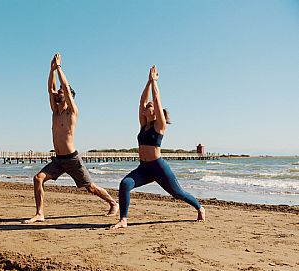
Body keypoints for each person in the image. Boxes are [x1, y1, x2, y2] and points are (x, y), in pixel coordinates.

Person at [22, 53, 119, 224]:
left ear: (69, 97)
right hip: (59, 160)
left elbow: (65, 86)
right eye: (58, 93)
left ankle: (113, 203)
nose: (58, 94)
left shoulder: (72, 112)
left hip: (72, 159)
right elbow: (50, 89)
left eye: (61, 92)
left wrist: (59, 68)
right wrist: (51, 70)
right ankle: (40, 214)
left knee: (90, 187)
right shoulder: (56, 112)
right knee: (38, 178)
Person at [111, 65, 205, 229]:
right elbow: (142, 101)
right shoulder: (143, 125)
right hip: (144, 168)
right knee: (125, 184)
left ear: (156, 113)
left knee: (178, 193)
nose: (147, 106)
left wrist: (154, 82)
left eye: (150, 106)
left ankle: (200, 207)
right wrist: (148, 82)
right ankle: (123, 219)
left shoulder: (159, 125)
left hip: (159, 167)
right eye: (147, 106)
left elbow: (157, 99)